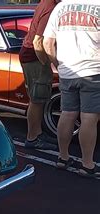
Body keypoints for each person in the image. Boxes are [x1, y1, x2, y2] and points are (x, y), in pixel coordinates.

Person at [43, 0, 100, 179]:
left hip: (67, 71)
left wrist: (58, 65)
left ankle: (63, 157)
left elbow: (47, 43)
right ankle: (87, 164)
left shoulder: (60, 7)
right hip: (93, 71)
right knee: (89, 118)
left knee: (67, 114)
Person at [19, 0, 60, 150]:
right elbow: (38, 41)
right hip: (34, 57)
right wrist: (47, 62)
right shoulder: (51, 7)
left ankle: (37, 133)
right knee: (36, 99)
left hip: (30, 55)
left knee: (38, 99)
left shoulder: (45, 3)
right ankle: (32, 138)